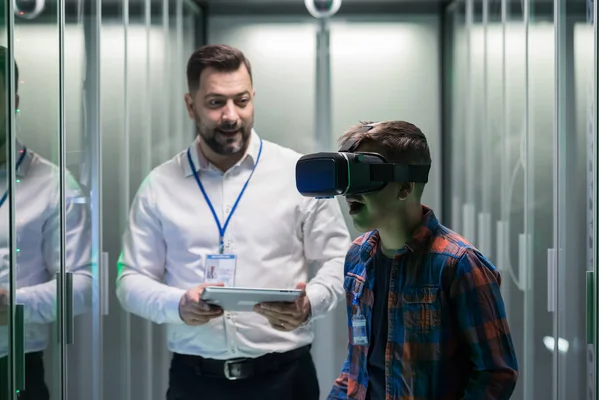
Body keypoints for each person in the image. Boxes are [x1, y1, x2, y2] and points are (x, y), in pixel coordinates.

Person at [116, 44, 351, 400]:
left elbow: (341, 259)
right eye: (215, 103)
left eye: (241, 100)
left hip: (285, 379)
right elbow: (129, 280)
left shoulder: (297, 175)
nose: (231, 116)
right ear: (190, 105)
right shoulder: (159, 185)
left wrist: (310, 304)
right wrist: (178, 304)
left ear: (253, 96)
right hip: (194, 381)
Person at [327, 120, 518, 399]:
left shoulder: (458, 264)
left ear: (405, 187)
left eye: (364, 176)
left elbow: (496, 374)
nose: (349, 193)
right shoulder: (358, 256)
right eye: (348, 178)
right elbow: (357, 363)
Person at [0, 46, 92, 400]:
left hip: (14, 371)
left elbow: (84, 286)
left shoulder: (52, 185)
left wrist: (13, 305)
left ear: (13, 100)